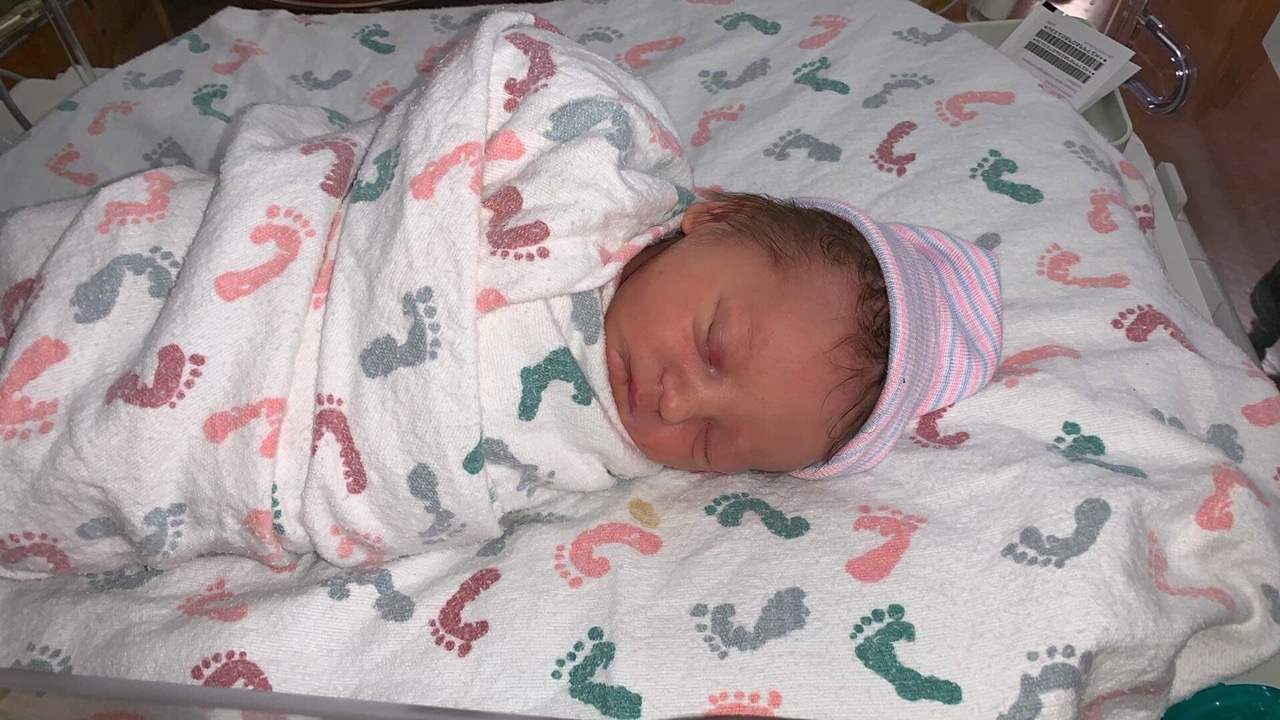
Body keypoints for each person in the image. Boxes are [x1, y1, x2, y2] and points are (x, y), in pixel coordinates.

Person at [605, 192, 1004, 478]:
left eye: (708, 444)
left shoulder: (592, 454)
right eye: (710, 346)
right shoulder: (610, 186)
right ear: (719, 218)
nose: (675, 406)